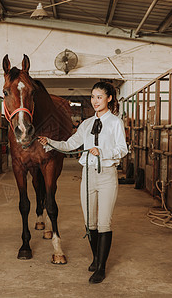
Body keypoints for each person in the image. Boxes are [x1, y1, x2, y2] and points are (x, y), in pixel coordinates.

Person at [38, 81, 128, 284]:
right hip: (87, 176)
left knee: (104, 222)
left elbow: (122, 149)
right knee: (90, 223)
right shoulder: (86, 124)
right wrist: (50, 142)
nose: (95, 101)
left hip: (106, 175)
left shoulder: (115, 123)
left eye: (99, 97)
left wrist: (103, 152)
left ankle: (101, 268)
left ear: (109, 98)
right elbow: (70, 144)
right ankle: (96, 258)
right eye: (93, 97)